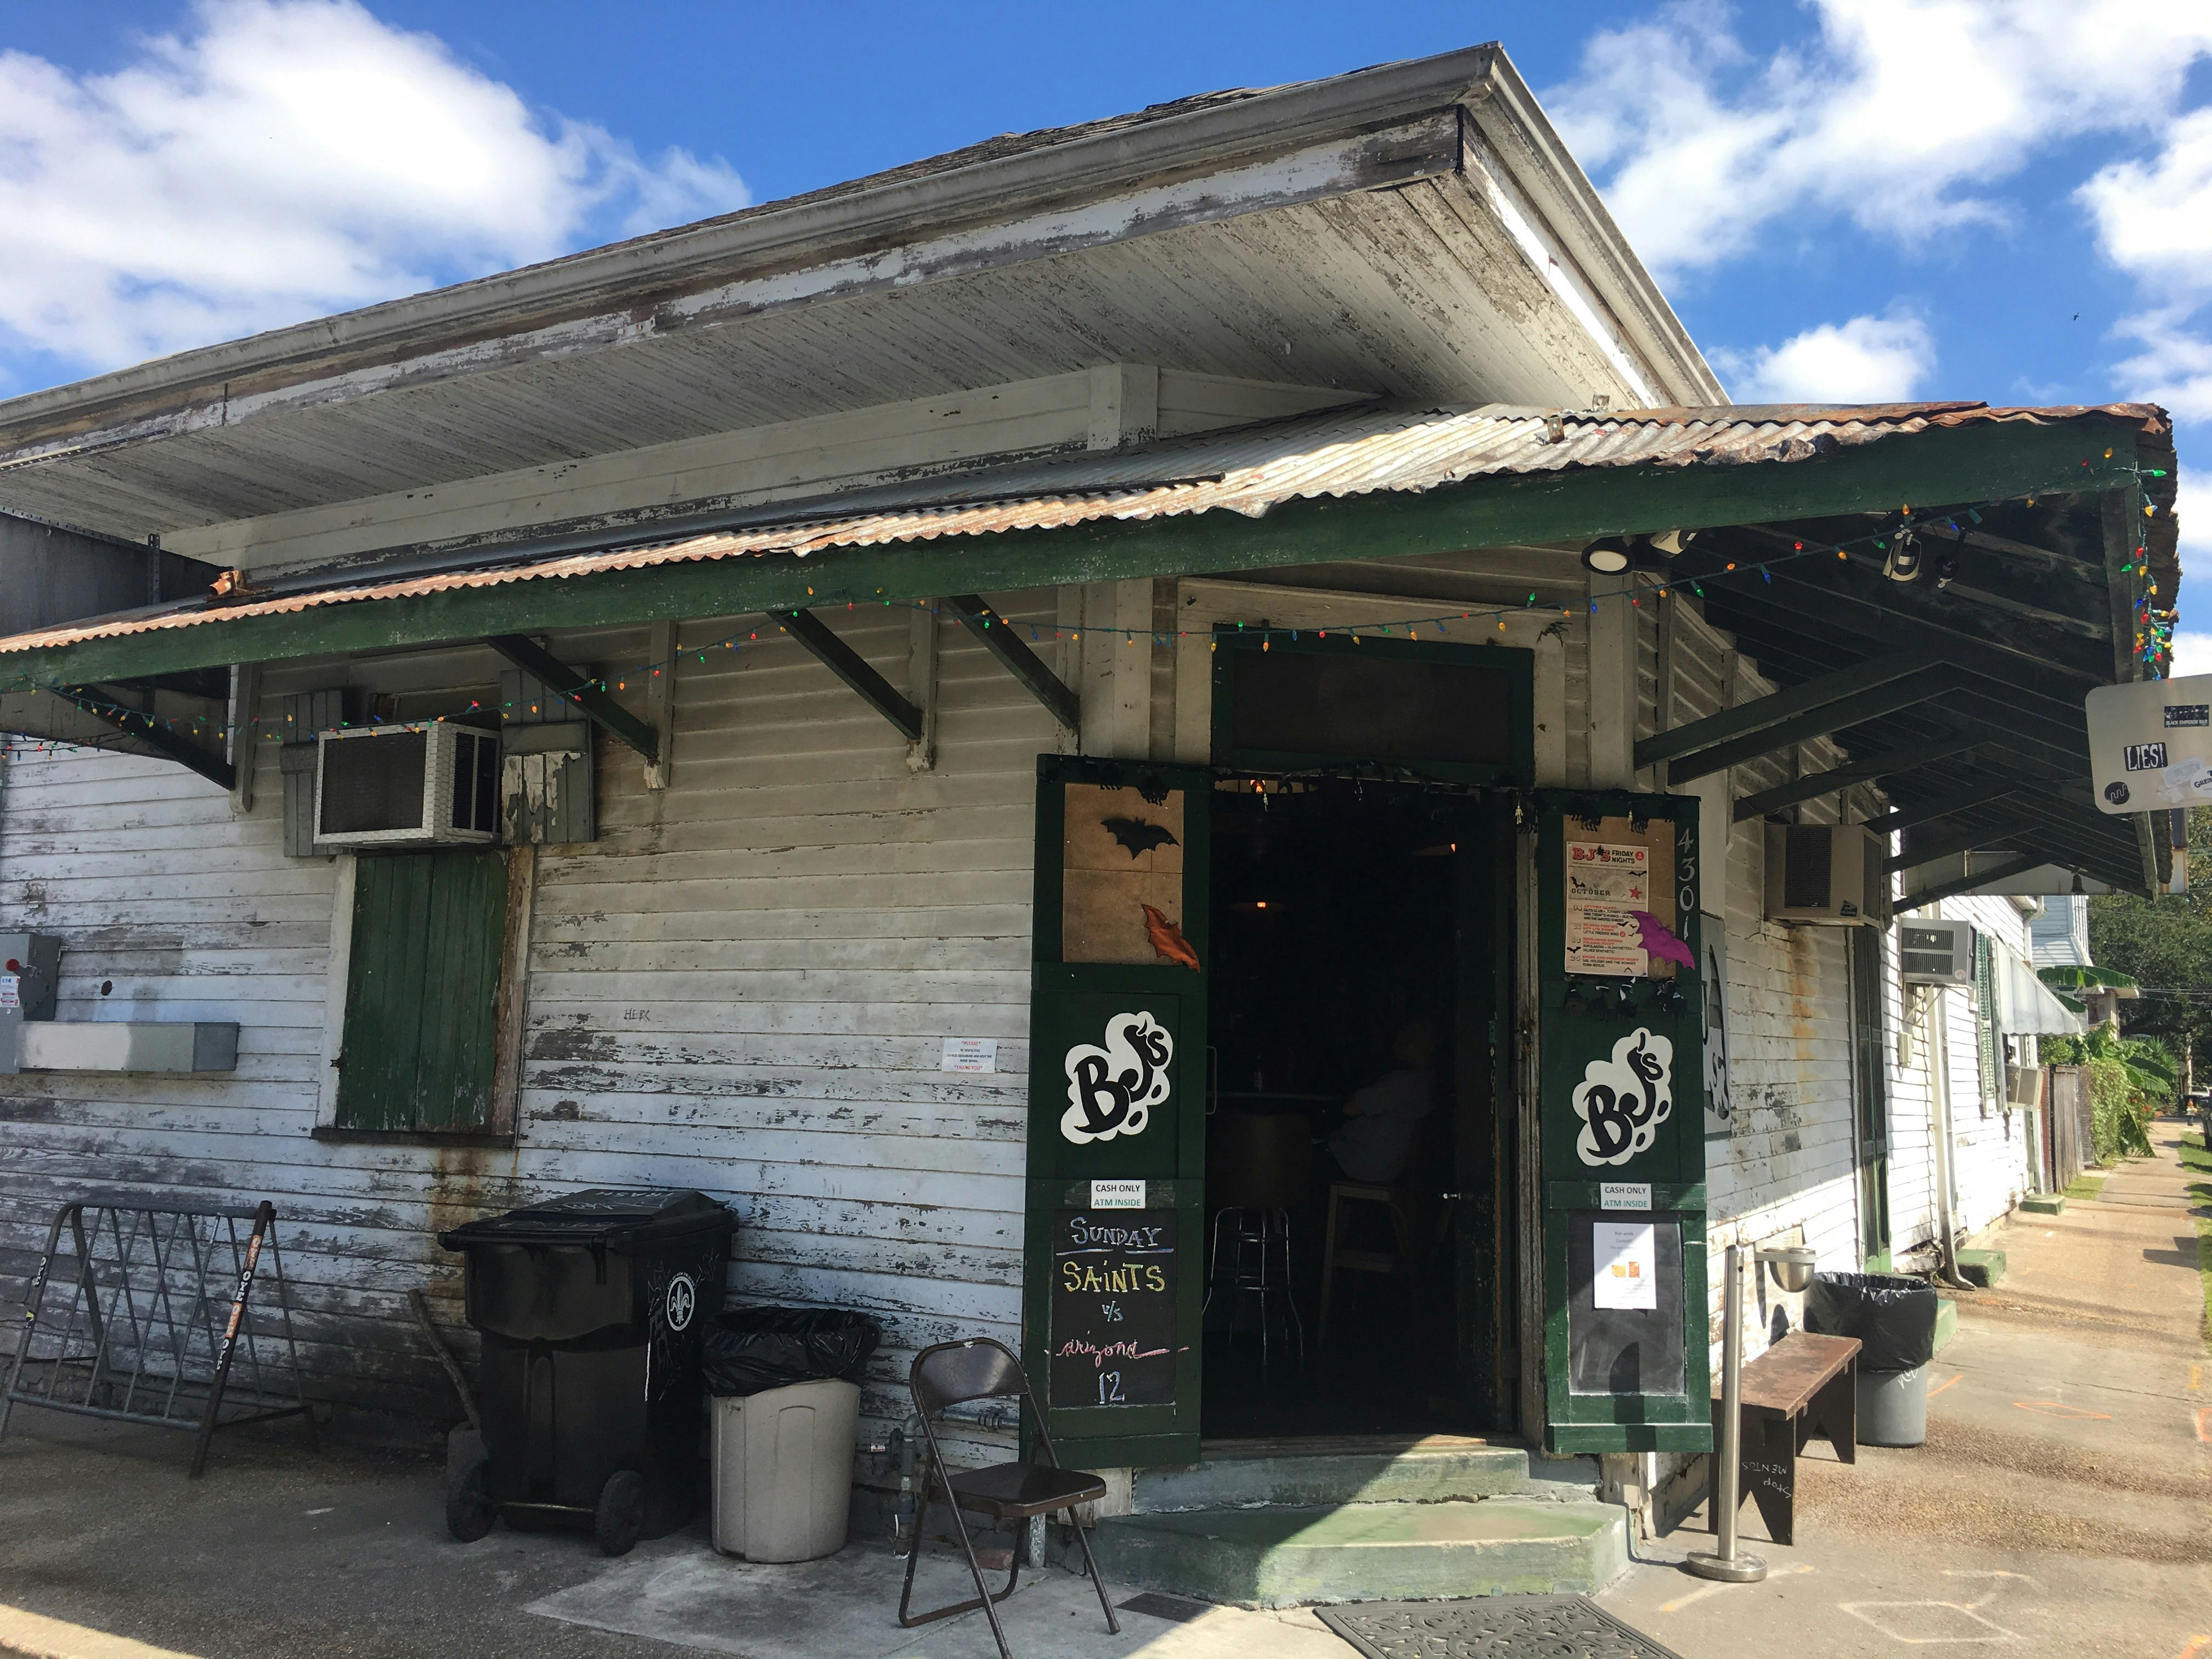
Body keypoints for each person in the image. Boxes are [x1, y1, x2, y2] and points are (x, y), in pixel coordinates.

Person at [1325, 1018, 1440, 1186]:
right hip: (1386, 1165)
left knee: (1293, 1156)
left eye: (1407, 1038)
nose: (1399, 1041)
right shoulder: (1428, 1082)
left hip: (1359, 1162)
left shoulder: (1404, 1082)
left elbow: (1350, 1108)